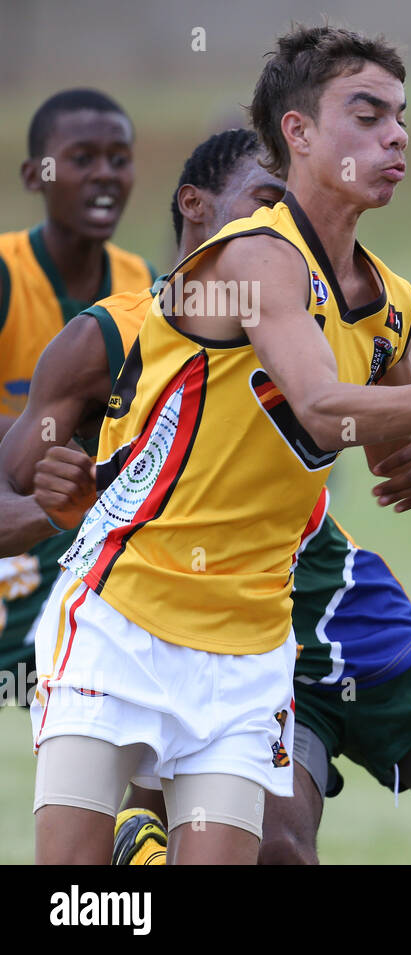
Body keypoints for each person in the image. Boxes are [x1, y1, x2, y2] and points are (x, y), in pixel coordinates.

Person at [25, 24, 411, 865]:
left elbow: (398, 460)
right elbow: (319, 408)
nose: (395, 135)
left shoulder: (390, 300)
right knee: (77, 898)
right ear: (299, 133)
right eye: (367, 113)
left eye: (402, 117)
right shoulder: (255, 256)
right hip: (125, 617)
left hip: (250, 645)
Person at [0, 89, 154, 690]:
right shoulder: (9, 274)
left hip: (81, 513)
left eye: (119, 158)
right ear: (33, 174)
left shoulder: (138, 280)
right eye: (82, 158)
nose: (105, 176)